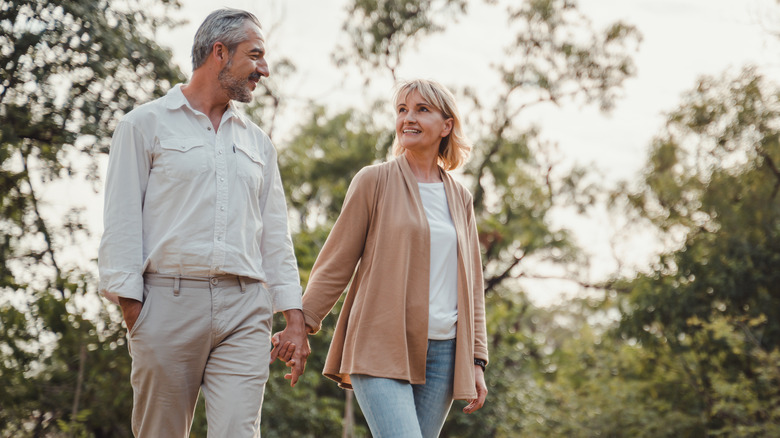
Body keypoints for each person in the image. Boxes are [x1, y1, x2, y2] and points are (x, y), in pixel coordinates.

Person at [98, 8, 309, 437]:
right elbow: (121, 224)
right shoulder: (143, 125)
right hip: (167, 304)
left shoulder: (259, 144)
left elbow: (275, 236)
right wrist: (135, 310)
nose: (264, 70)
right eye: (255, 55)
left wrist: (294, 318)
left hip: (245, 309)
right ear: (220, 53)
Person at [300, 78, 489, 437]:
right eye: (402, 110)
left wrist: (476, 359)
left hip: (444, 356)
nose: (408, 118)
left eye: (422, 109)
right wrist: (302, 322)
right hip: (380, 342)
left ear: (447, 126)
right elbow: (337, 261)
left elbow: (473, 285)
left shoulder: (461, 198)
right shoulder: (373, 181)